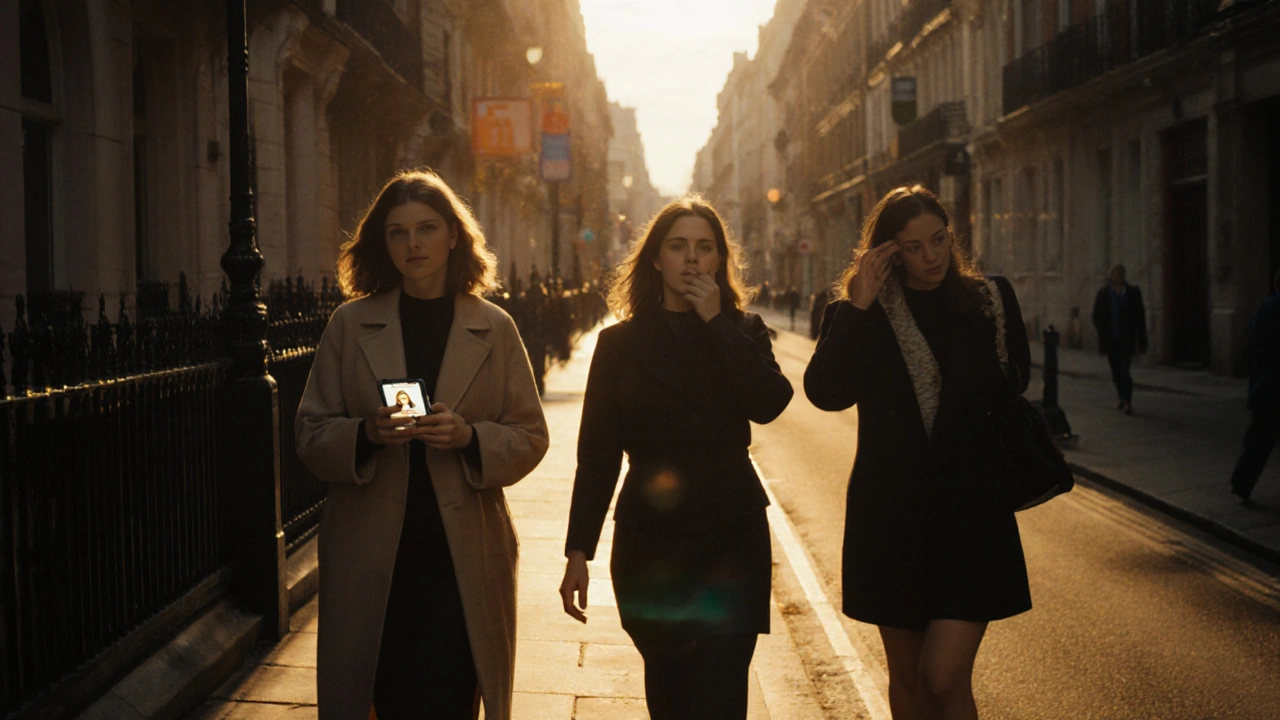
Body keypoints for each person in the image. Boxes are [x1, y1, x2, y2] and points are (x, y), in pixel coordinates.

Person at [295, 169, 549, 720]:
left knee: (450, 696)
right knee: (380, 693)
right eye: (398, 232)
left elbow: (530, 435)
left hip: (461, 555)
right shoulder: (350, 324)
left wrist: (469, 437)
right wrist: (366, 433)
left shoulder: (494, 326)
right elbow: (310, 433)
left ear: (454, 236)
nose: (413, 244)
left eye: (427, 229)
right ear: (383, 243)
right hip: (372, 553)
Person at [559, 196, 793, 719]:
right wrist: (579, 550)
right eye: (679, 246)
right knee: (669, 697)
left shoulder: (743, 330)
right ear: (656, 259)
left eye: (704, 248)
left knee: (721, 696)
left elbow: (770, 403)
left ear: (719, 262)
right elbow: (596, 455)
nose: (691, 259)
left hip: (731, 537)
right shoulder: (618, 345)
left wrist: (716, 322)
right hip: (651, 542)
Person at [805, 185, 1032, 720]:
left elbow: (1012, 382)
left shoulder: (988, 300)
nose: (932, 257)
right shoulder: (863, 313)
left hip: (971, 517)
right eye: (914, 247)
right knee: (907, 679)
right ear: (888, 251)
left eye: (939, 239)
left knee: (944, 677)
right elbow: (825, 392)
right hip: (891, 518)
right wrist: (859, 303)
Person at [1230, 271, 1280, 503]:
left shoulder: (1264, 307)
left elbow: (1250, 341)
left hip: (1266, 386)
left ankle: (1241, 482)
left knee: (1259, 441)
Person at [1091, 264, 1148, 415]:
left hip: (1126, 339)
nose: (1116, 277)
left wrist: (1141, 341)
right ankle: (1122, 398)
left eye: (1119, 274)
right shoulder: (1104, 294)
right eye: (1114, 274)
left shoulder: (1132, 293)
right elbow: (1096, 315)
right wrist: (1102, 332)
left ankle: (1128, 401)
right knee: (1115, 371)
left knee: (1124, 370)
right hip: (1111, 340)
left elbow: (1139, 318)